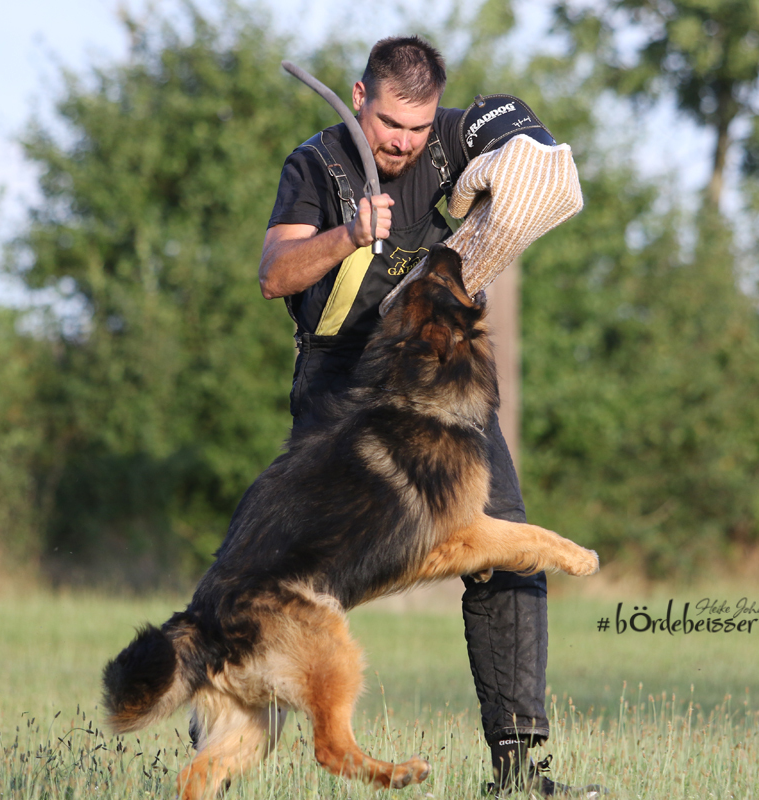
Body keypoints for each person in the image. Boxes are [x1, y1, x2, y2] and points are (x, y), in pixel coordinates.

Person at [260, 36, 596, 798]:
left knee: (507, 543)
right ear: (359, 97)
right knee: (293, 576)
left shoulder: (454, 135)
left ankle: (521, 772)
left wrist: (496, 187)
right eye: (389, 124)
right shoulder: (315, 165)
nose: (404, 143)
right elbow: (275, 274)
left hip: (440, 378)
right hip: (341, 382)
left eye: (417, 127)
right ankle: (222, 743)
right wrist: (350, 234)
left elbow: (543, 159)